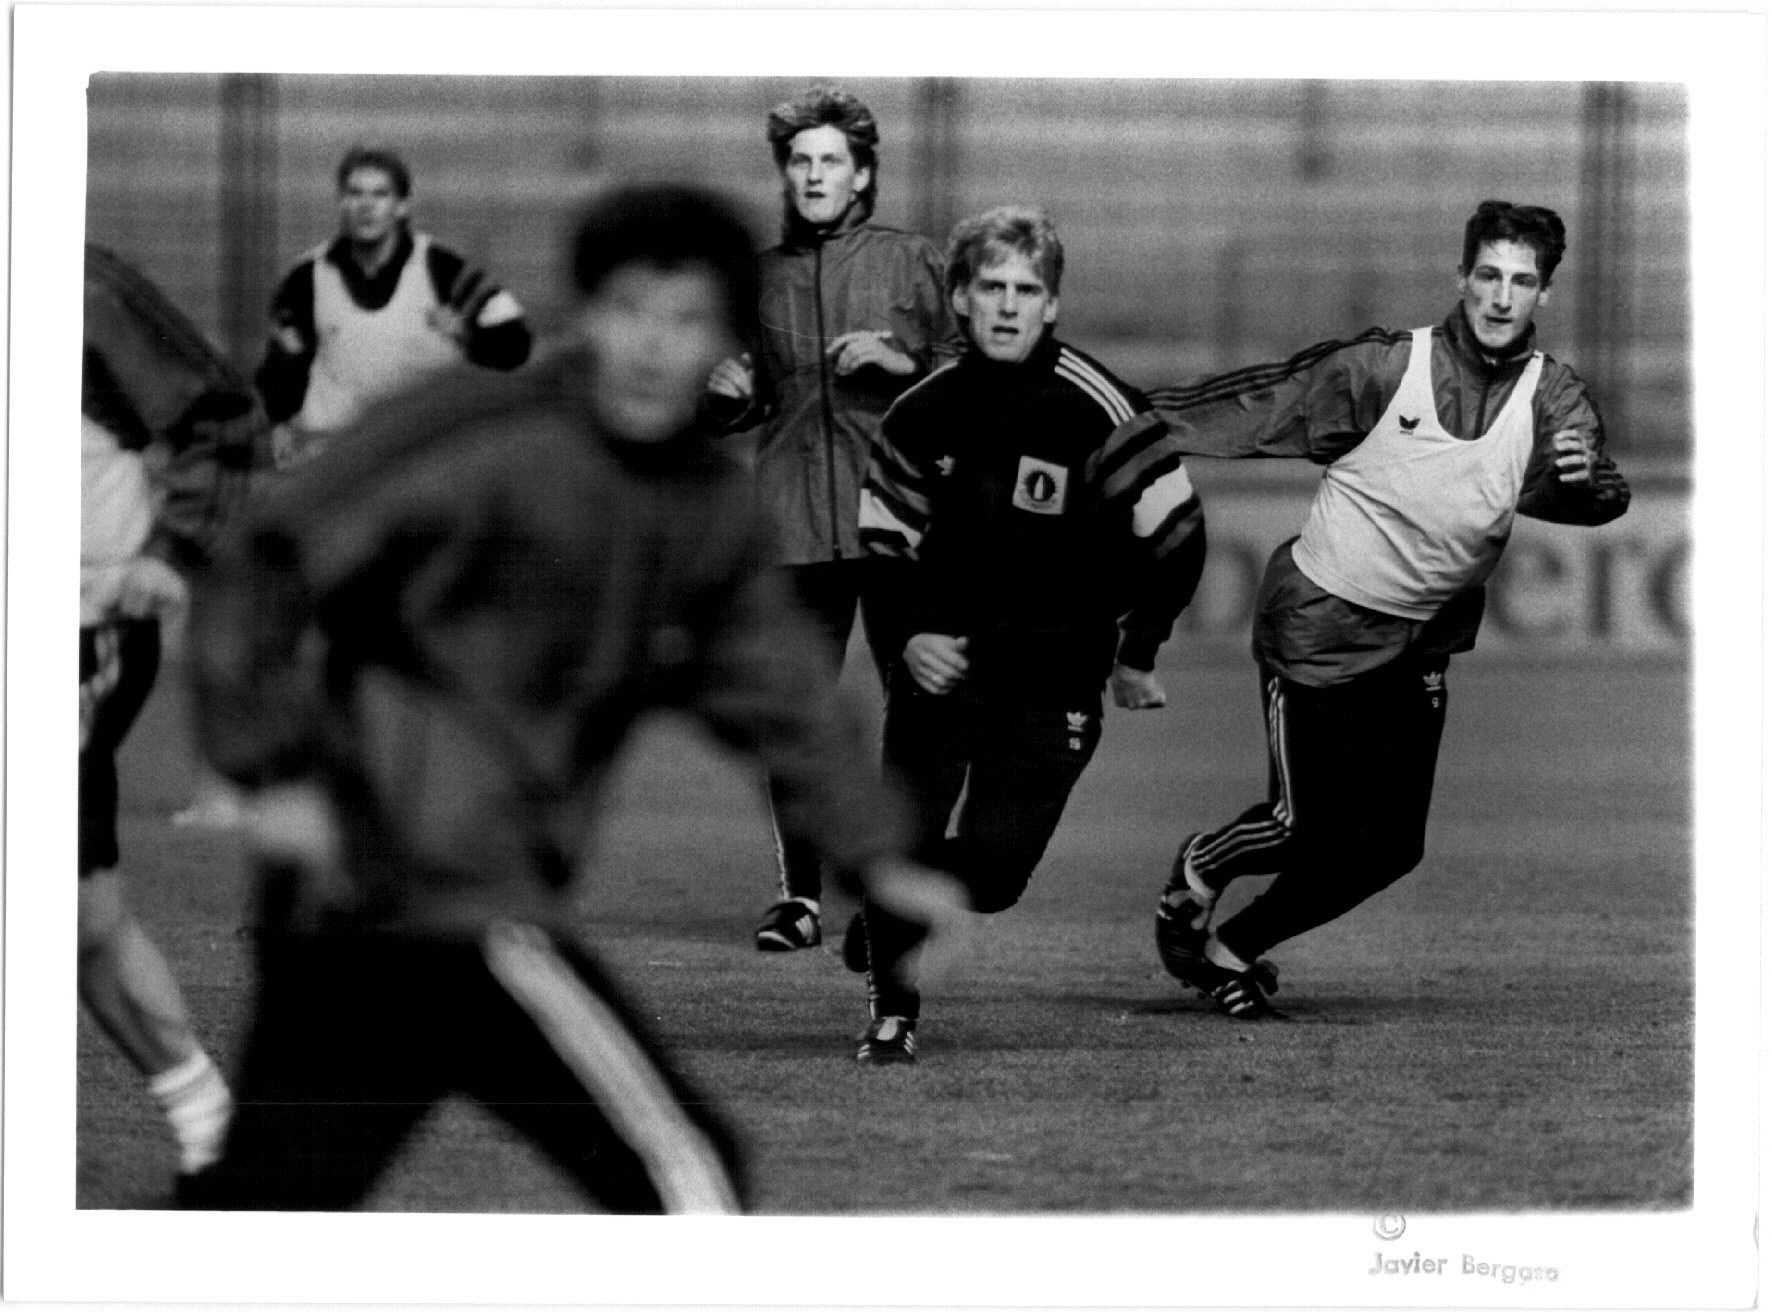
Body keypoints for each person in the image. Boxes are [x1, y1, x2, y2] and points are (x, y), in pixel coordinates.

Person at [179, 184, 965, 1211]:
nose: (652, 346)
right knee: (689, 1186)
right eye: (628, 310)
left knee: (265, 1212)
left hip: (392, 906)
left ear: (729, 343)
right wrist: (273, 770)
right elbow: (264, 561)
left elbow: (780, 694)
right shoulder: (469, 430)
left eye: (685, 320)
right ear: (584, 314)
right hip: (432, 891)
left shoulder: (705, 510)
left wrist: (876, 855)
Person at [1145, 200, 1631, 1019]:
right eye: (1488, 275)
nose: (1501, 296)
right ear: (1461, 276)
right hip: (1319, 626)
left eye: (1521, 281)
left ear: (1544, 293)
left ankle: (1230, 950)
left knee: (1390, 849)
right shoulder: (1381, 368)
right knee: (1301, 826)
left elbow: (1594, 492)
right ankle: (1200, 866)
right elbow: (1254, 405)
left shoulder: (1552, 394)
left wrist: (1587, 483)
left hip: (1419, 646)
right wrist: (1115, 418)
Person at [849, 206, 1208, 1064]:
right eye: (991, 288)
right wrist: (908, 640)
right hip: (944, 664)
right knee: (907, 831)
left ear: (1052, 304)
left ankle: (896, 901)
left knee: (998, 874)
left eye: (1026, 290)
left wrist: (1138, 652)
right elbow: (883, 543)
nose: (1008, 306)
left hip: (1055, 675)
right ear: (960, 299)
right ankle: (893, 1015)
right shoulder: (923, 411)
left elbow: (1178, 535)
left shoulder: (1098, 408)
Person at [706, 86, 962, 953]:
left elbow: (977, 378)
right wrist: (725, 397)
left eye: (830, 161)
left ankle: (896, 886)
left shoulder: (914, 261)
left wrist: (906, 363)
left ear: (862, 176)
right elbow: (738, 403)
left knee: (917, 711)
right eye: (800, 161)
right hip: (791, 525)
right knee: (794, 713)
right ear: (786, 174)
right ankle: (800, 898)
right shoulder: (758, 278)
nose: (814, 175)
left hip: (897, 521)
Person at [80, 242, 260, 1182]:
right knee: (82, 916)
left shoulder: (83, 288)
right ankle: (211, 1121)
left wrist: (172, 550)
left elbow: (220, 413)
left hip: (81, 631)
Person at [255, 143, 532, 470]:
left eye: (380, 194)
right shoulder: (305, 279)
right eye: (355, 193)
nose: (366, 206)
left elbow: (516, 345)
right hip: (333, 458)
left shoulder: (445, 272)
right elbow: (280, 373)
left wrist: (468, 336)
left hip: (418, 459)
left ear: (402, 206)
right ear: (342, 202)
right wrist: (279, 424)